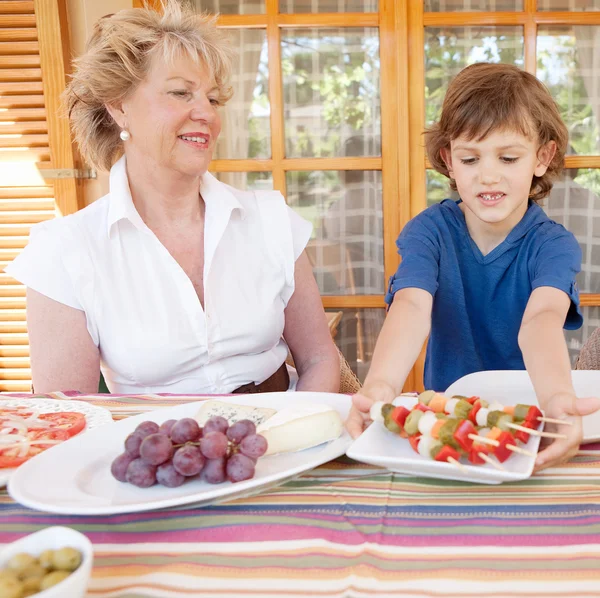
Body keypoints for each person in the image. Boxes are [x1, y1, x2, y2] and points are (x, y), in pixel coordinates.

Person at [5, 1, 340, 395]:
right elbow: (69, 411)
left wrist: (303, 434)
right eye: (181, 93)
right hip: (148, 449)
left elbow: (319, 358)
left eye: (213, 99)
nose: (207, 114)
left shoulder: (271, 220)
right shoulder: (64, 250)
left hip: (281, 442)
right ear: (118, 106)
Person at [347, 63, 600, 471]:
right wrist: (380, 386)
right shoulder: (428, 232)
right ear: (448, 160)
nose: (487, 175)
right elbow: (411, 306)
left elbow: (541, 320)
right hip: (447, 421)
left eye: (507, 157)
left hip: (528, 420)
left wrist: (557, 400)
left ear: (542, 157)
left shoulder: (554, 245)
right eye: (470, 158)